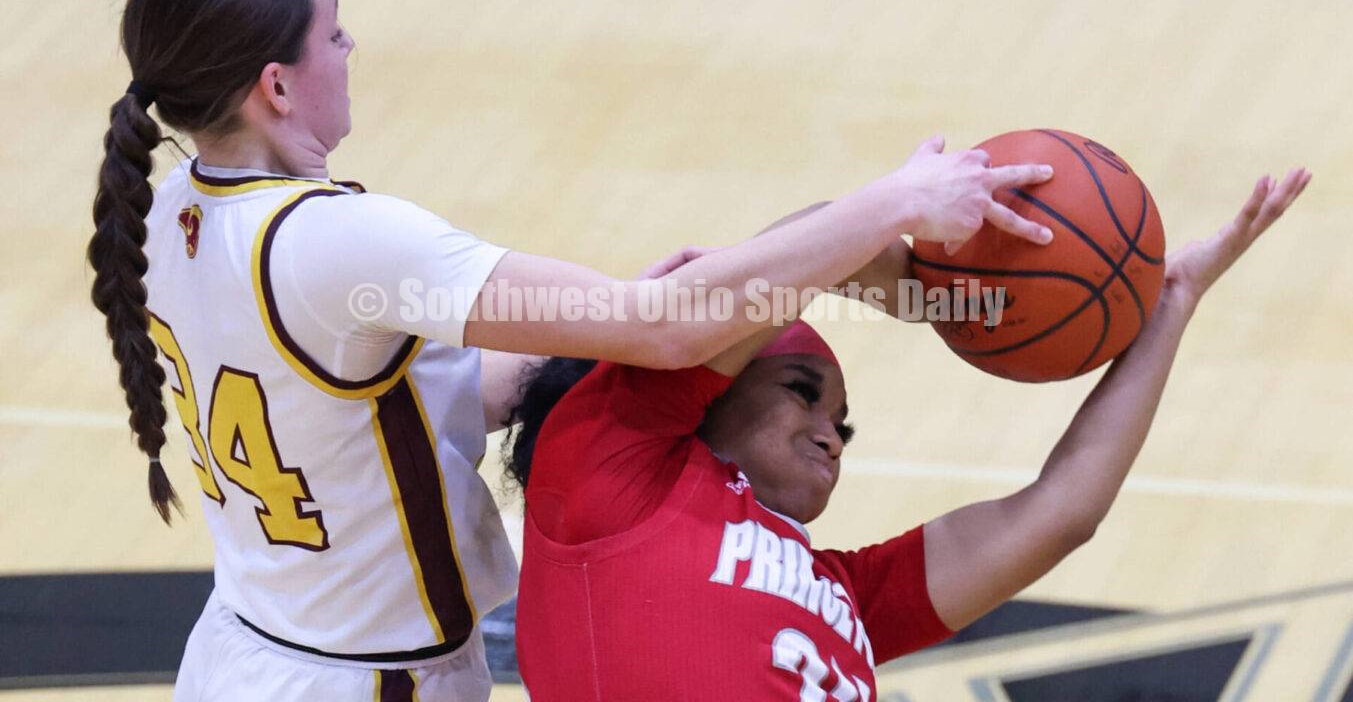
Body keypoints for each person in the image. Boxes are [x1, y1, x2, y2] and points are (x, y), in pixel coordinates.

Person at [87, 0, 1056, 702]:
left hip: (244, 654)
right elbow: (666, 327)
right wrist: (895, 203)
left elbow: (388, 398)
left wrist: (608, 321)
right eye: (333, 32)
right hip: (365, 679)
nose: (351, 48)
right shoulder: (340, 242)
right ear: (276, 86)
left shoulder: (170, 209)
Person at [507, 170, 1310, 699]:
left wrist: (1170, 304)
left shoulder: (842, 594)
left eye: (842, 425)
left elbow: (1062, 511)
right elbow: (814, 242)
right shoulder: (607, 462)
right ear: (705, 390)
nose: (830, 436)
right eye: (801, 393)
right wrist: (943, 296)